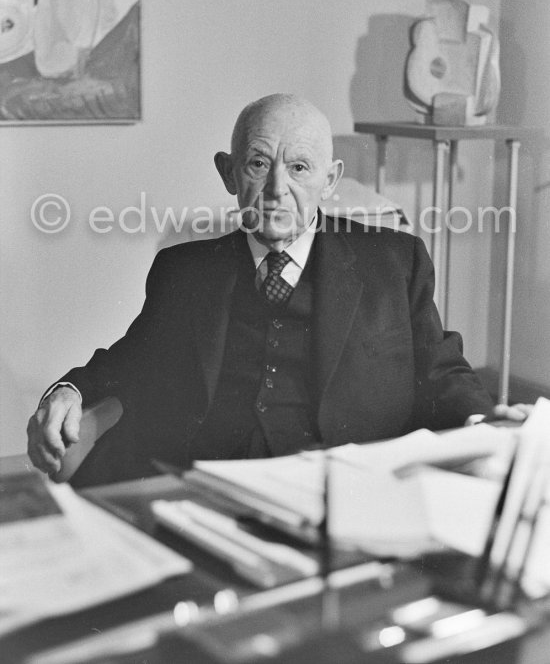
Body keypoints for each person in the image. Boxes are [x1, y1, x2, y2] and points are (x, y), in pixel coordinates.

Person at [27, 94, 531, 480]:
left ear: (329, 180)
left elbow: (441, 371)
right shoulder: (185, 271)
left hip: (340, 490)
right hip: (205, 486)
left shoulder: (393, 263)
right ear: (228, 172)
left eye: (299, 168)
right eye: (258, 163)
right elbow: (132, 360)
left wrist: (483, 422)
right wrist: (69, 390)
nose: (276, 189)